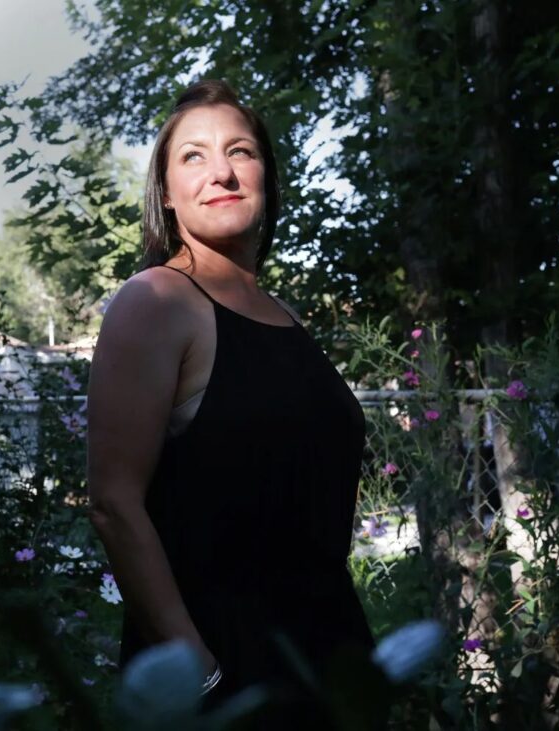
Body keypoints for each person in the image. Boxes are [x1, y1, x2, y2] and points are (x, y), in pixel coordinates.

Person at [85, 79, 377, 729]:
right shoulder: (157, 301)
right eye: (193, 155)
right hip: (222, 673)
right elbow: (112, 502)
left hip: (327, 658)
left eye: (240, 151)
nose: (221, 170)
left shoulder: (284, 315)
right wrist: (201, 670)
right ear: (165, 192)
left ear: (266, 177)